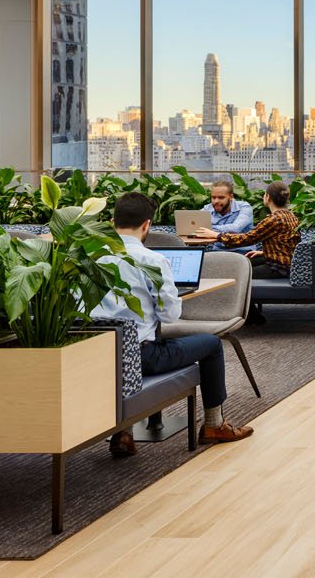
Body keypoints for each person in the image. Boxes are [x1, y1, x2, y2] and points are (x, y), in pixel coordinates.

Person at [95, 192, 253, 453]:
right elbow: (170, 316)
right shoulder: (154, 261)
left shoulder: (92, 259)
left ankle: (123, 432)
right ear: (147, 225)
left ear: (113, 222)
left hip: (96, 354)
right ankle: (214, 425)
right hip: (144, 356)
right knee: (212, 345)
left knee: (129, 338)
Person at [215, 180, 299, 277]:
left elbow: (247, 239)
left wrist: (218, 236)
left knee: (237, 272)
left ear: (267, 197)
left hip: (279, 268)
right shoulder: (291, 215)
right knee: (243, 262)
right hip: (287, 263)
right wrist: (264, 252)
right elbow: (288, 243)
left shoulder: (274, 219)